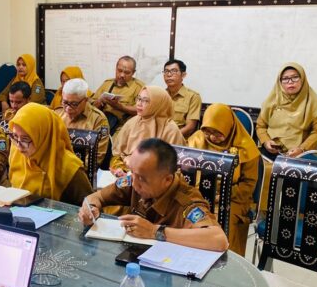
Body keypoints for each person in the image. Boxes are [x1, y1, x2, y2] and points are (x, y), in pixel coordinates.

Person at [79, 138, 228, 252]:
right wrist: (90, 208)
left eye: (142, 178)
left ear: (167, 179)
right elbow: (97, 197)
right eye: (133, 173)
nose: (134, 183)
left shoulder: (186, 202)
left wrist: (154, 231)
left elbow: (219, 239)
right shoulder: (134, 180)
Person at [188, 103, 259, 256]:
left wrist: (220, 197)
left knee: (223, 222)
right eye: (208, 131)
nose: (212, 137)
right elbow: (184, 173)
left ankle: (226, 266)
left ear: (229, 127)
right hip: (196, 196)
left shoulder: (246, 147)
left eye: (218, 132)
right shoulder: (196, 140)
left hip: (231, 200)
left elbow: (248, 185)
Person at [8, 103, 92, 205]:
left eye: (26, 139)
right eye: (15, 136)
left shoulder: (69, 167)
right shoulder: (16, 152)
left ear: (44, 137)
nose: (19, 146)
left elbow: (90, 208)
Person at [256, 62, 317, 160]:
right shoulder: (272, 101)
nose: (290, 82)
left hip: (300, 154)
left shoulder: (314, 103)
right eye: (285, 79)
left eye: (295, 77)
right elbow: (261, 126)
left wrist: (301, 149)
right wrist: (266, 141)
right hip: (271, 152)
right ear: (279, 82)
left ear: (303, 79)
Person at [110, 86, 184, 177]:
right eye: (139, 99)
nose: (139, 104)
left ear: (158, 104)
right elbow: (117, 155)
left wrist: (134, 175)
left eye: (145, 100)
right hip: (124, 176)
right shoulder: (132, 122)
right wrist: (119, 169)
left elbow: (173, 167)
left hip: (156, 181)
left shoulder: (170, 129)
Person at [53, 78, 110, 164]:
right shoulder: (56, 114)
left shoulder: (98, 120)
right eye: (65, 102)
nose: (68, 109)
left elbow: (96, 157)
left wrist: (71, 170)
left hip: (81, 170)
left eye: (74, 104)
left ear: (86, 100)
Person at [91, 56, 145, 134]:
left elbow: (141, 110)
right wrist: (100, 102)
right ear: (116, 68)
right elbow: (91, 107)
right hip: (102, 123)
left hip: (123, 127)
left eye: (127, 72)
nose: (122, 75)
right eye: (119, 71)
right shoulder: (107, 83)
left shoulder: (139, 87)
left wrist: (120, 107)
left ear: (133, 72)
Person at [163, 59, 202, 139]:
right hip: (158, 137)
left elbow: (190, 127)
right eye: (166, 71)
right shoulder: (160, 95)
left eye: (173, 71)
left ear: (183, 75)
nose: (169, 75)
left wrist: (169, 137)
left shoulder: (193, 97)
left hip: (179, 140)